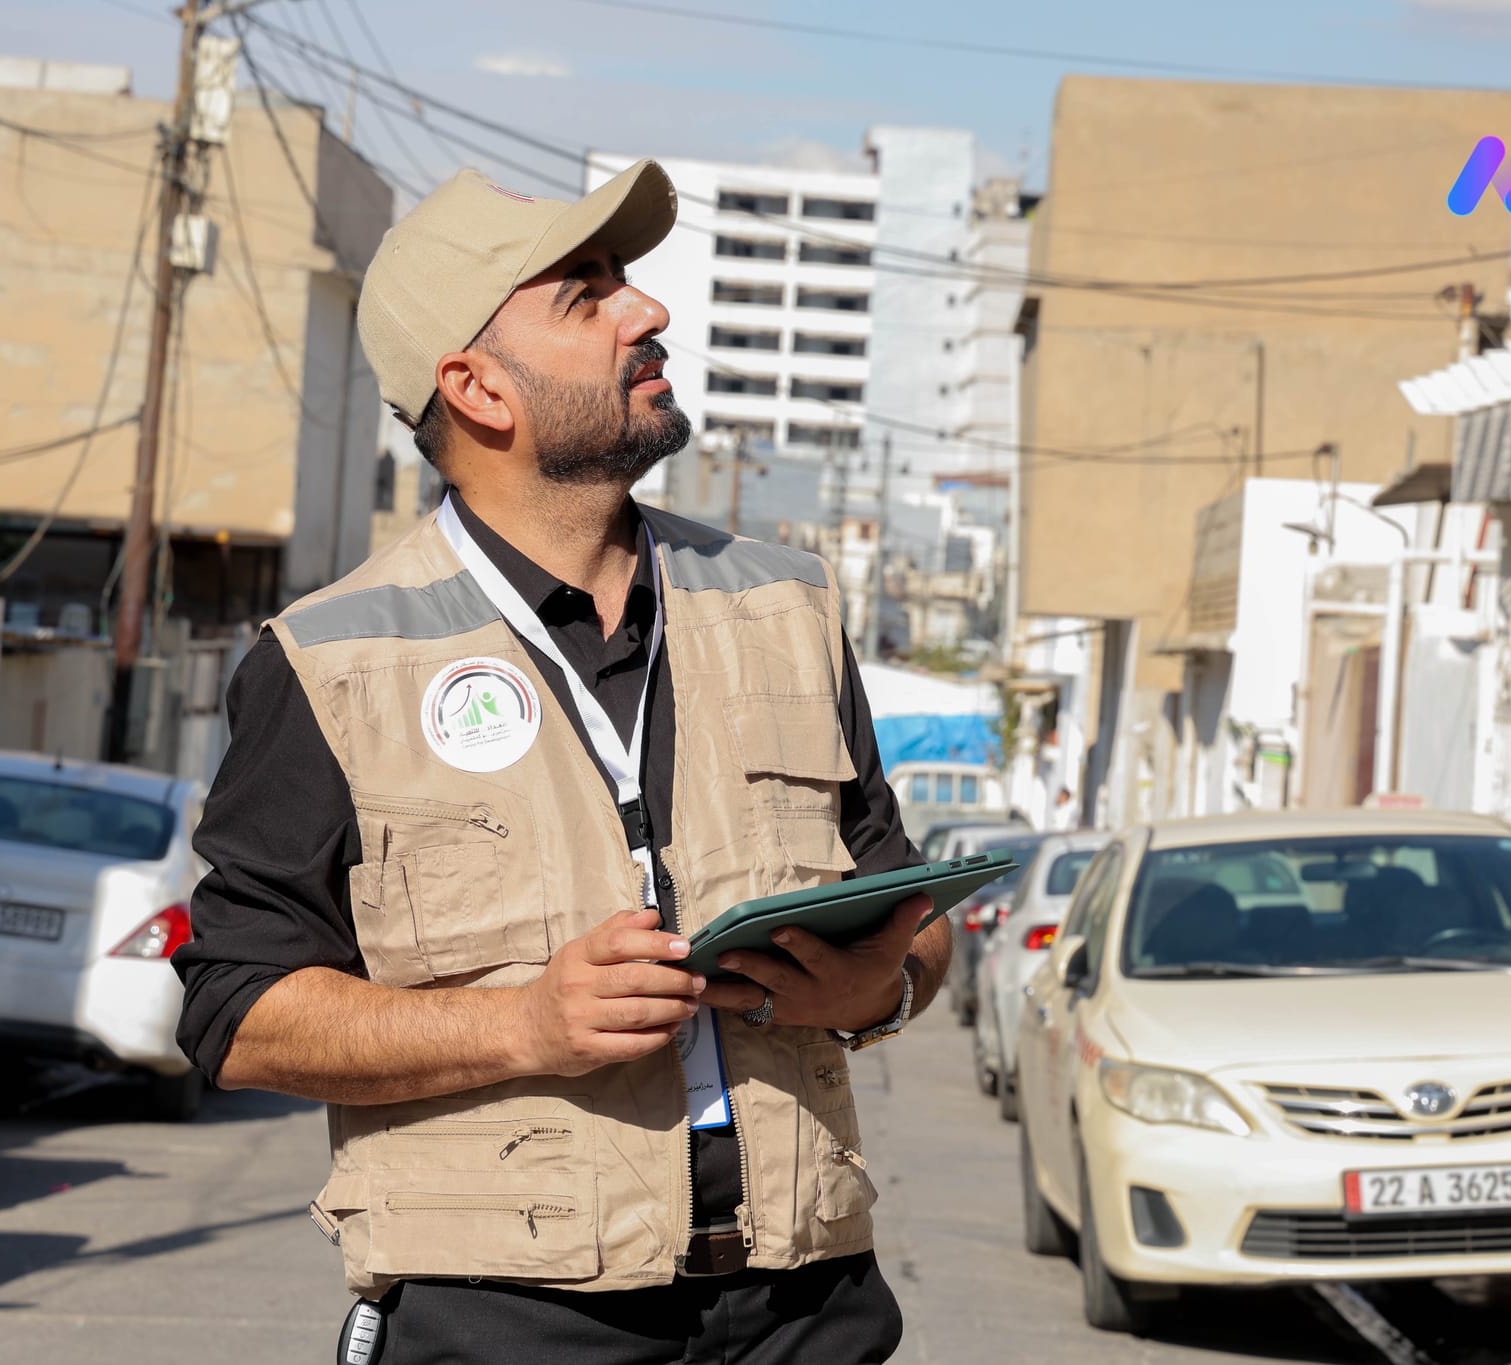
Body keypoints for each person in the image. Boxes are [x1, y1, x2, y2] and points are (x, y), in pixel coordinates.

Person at [172, 160, 950, 1365]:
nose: (647, 313)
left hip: (809, 1307)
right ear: (477, 387)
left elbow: (908, 908)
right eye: (584, 297)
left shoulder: (784, 605)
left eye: (626, 282)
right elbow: (239, 1015)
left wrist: (879, 989)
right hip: (512, 1319)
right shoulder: (330, 658)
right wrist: (523, 1026)